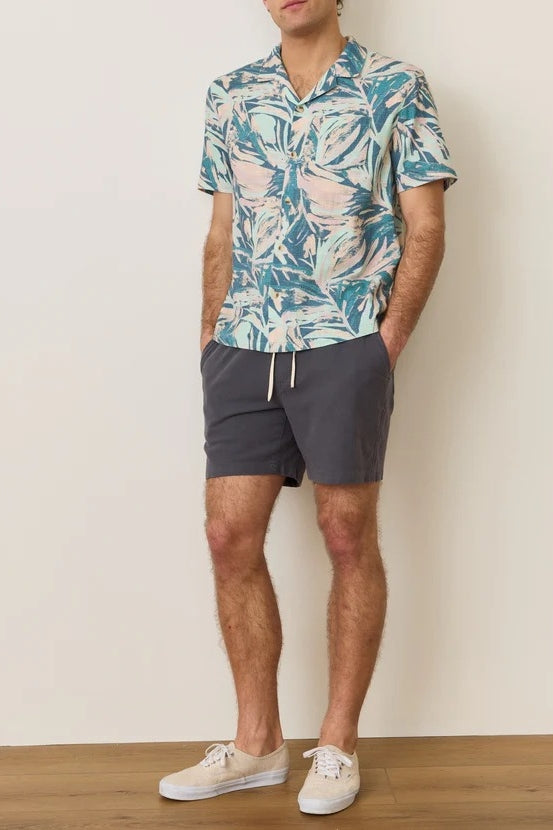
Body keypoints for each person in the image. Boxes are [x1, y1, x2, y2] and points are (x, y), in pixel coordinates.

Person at [159, 0, 458, 816]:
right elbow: (221, 229)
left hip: (344, 341)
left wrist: (384, 343)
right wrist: (210, 336)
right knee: (227, 535)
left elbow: (425, 225)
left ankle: (337, 743)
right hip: (242, 343)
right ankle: (256, 744)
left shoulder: (395, 86)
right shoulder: (231, 93)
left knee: (345, 533)